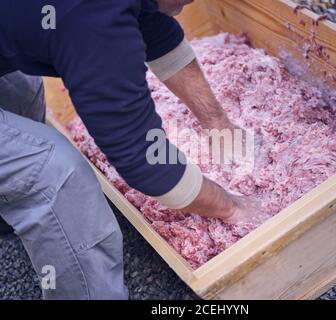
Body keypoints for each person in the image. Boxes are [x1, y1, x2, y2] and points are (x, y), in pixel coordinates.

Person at [0, 0, 260, 299]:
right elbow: (145, 164)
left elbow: (155, 31)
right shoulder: (91, 20)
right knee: (52, 171)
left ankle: (8, 208)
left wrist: (218, 123)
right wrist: (233, 208)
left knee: (21, 89)